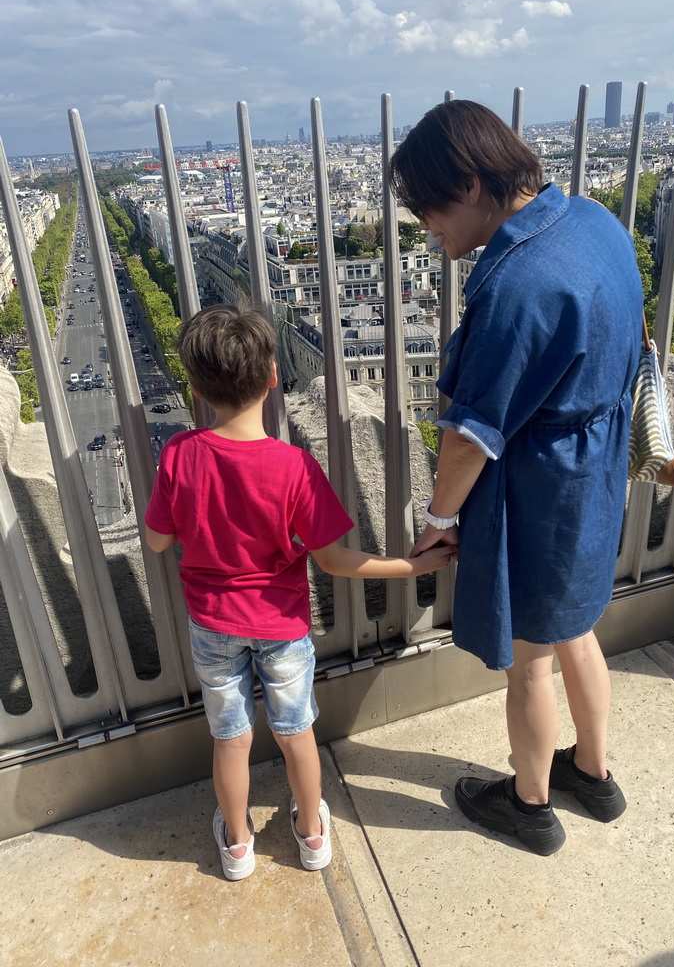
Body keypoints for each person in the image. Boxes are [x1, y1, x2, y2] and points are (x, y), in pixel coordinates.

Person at [389, 100, 643, 856]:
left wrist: (437, 520)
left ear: (468, 183)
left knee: (531, 657)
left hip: (541, 482)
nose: (427, 228)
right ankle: (592, 773)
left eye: (428, 208)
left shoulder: (517, 283)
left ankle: (529, 804)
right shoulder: (594, 223)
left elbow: (471, 436)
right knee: (578, 627)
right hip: (596, 461)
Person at [144, 304, 455, 880]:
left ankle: (237, 845)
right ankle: (311, 834)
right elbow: (336, 559)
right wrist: (414, 567)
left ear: (194, 387)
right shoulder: (294, 467)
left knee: (230, 739)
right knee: (297, 736)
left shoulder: (179, 455)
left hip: (212, 623)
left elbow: (160, 541)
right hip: (282, 626)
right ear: (271, 377)